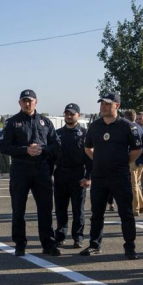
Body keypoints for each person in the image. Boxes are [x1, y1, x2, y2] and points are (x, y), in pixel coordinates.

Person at [0, 89, 61, 257]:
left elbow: (56, 145)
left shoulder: (45, 122)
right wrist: (25, 150)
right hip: (21, 169)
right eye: (24, 101)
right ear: (19, 103)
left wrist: (44, 149)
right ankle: (20, 244)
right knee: (18, 209)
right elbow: (4, 147)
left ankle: (48, 244)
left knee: (45, 209)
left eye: (30, 100)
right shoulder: (12, 122)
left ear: (36, 102)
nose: (27, 103)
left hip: (41, 169)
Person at [81, 92, 143, 259]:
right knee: (97, 213)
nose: (103, 106)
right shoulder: (94, 126)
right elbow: (88, 148)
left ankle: (130, 247)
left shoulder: (127, 126)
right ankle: (94, 244)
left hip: (119, 175)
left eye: (108, 104)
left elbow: (137, 149)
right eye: (102, 103)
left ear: (117, 106)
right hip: (99, 176)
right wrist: (100, 160)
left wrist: (124, 162)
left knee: (126, 213)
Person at [54, 103, 92, 249]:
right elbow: (51, 156)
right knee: (60, 208)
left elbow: (90, 158)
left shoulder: (85, 133)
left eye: (72, 113)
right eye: (67, 113)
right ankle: (61, 236)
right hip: (61, 174)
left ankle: (78, 237)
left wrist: (88, 177)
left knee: (78, 209)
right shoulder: (57, 134)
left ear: (79, 115)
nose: (69, 116)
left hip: (78, 174)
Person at [123, 109, 143, 215]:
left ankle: (135, 209)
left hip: (133, 159)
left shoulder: (128, 128)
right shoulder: (141, 128)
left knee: (133, 185)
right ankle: (141, 206)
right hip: (141, 160)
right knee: (135, 184)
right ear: (135, 117)